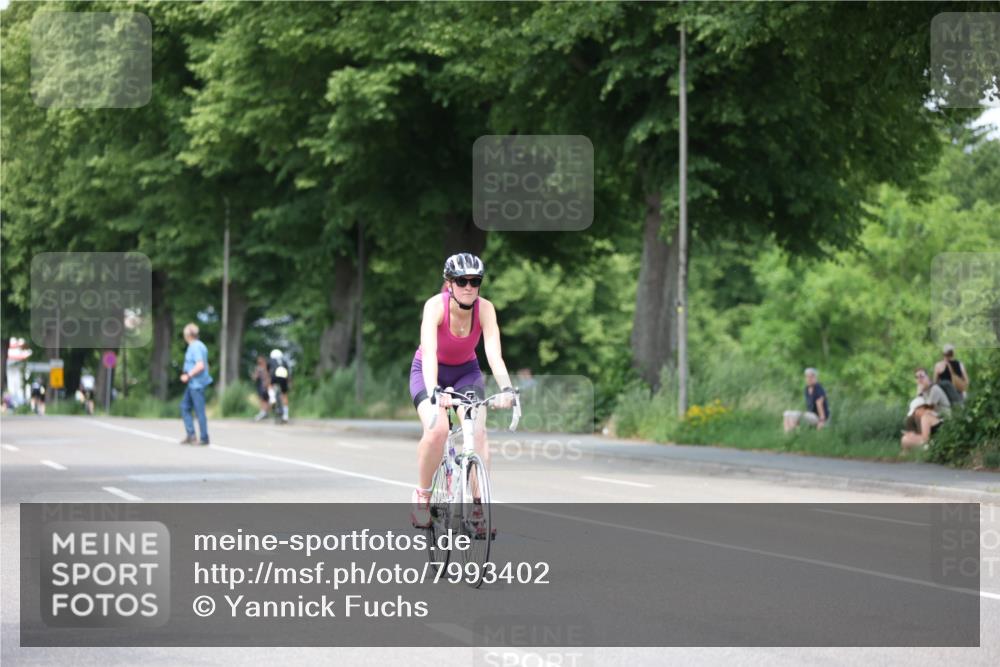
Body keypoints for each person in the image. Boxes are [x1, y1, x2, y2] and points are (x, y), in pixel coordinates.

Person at [409, 253, 514, 529]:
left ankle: (477, 508)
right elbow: (430, 353)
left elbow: (494, 354)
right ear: (449, 283)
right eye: (462, 280)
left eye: (475, 281)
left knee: (478, 433)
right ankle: (422, 495)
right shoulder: (435, 306)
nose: (469, 287)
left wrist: (507, 389)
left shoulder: (486, 309)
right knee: (437, 429)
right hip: (429, 371)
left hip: (466, 372)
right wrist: (434, 392)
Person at [900, 368, 951, 450]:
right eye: (917, 377)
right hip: (931, 422)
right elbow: (917, 407)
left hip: (943, 421)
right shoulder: (924, 391)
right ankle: (919, 442)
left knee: (925, 416)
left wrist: (919, 394)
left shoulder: (934, 389)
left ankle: (926, 441)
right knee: (905, 439)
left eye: (922, 376)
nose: (919, 379)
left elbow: (928, 408)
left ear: (928, 377)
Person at [179, 323, 213, 445]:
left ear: (188, 334)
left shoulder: (195, 347)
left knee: (199, 411)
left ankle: (203, 438)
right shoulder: (200, 346)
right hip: (194, 383)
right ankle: (191, 435)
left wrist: (188, 375)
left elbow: (200, 365)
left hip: (196, 384)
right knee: (184, 407)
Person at [783, 368, 829, 432]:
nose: (808, 379)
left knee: (794, 416)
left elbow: (819, 403)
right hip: (810, 415)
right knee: (787, 413)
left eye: (810, 377)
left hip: (817, 417)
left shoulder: (818, 388)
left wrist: (822, 420)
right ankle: (787, 434)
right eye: (807, 377)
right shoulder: (807, 389)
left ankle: (791, 434)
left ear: (815, 377)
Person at [267, 348, 291, 423]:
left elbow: (268, 370)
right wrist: (289, 381)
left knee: (270, 386)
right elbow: (288, 372)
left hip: (275, 375)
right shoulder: (284, 361)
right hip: (284, 376)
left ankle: (272, 398)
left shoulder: (271, 360)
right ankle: (286, 415)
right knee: (284, 395)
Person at [251, 355, 271, 422]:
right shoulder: (258, 368)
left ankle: (264, 412)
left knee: (266, 399)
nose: (259, 361)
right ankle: (263, 412)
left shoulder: (266, 367)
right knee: (262, 398)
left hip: (266, 385)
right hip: (260, 385)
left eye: (260, 360)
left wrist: (267, 383)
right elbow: (255, 377)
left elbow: (268, 376)